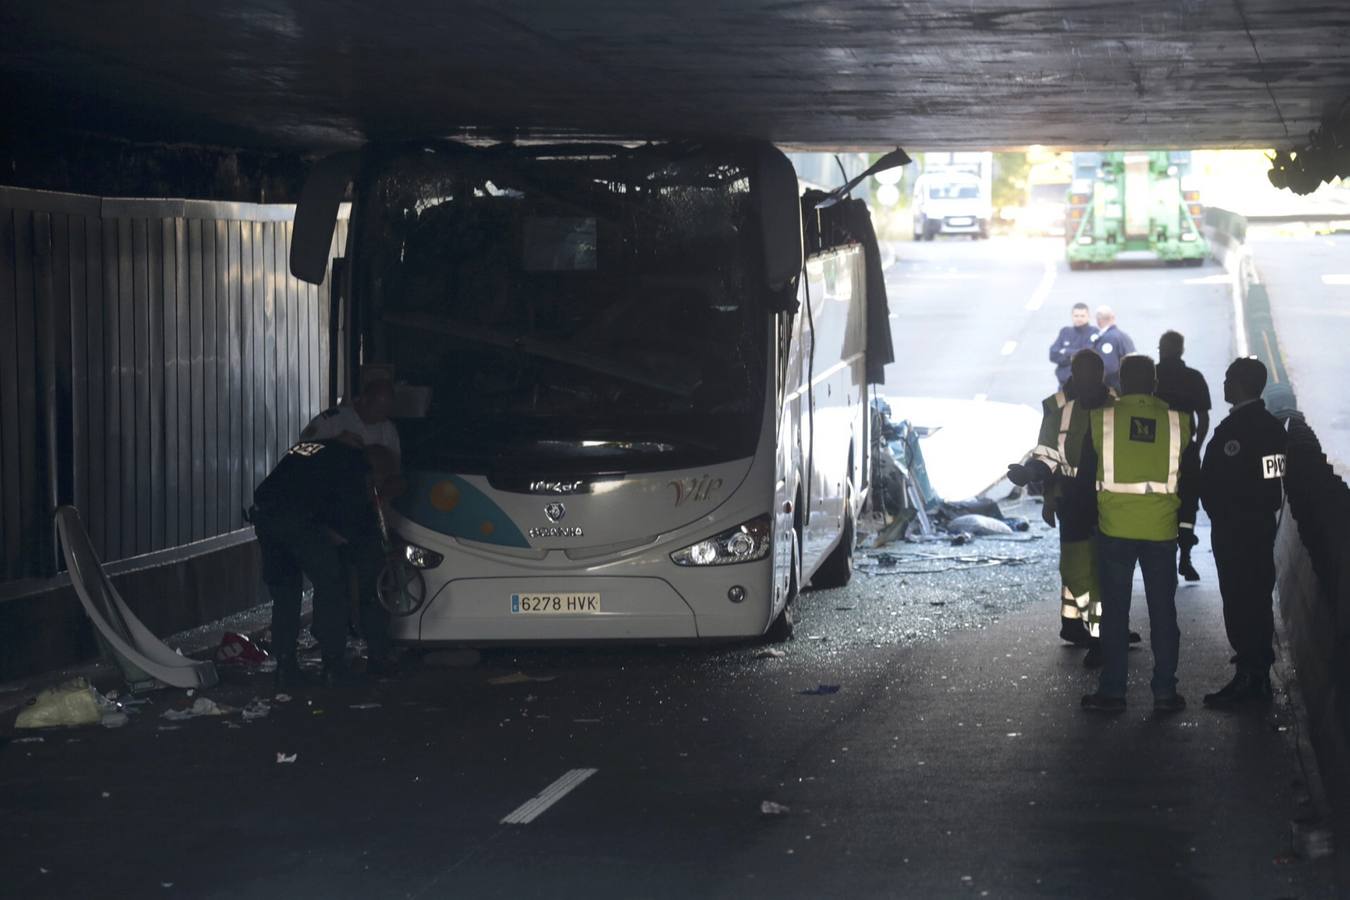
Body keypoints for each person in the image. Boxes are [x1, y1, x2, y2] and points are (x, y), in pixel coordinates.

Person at [1080, 354, 1198, 713]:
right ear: (1155, 382)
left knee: (1115, 613)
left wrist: (1090, 522)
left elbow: (1088, 477)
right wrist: (1185, 527)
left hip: (1114, 528)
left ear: (1121, 380)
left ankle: (1113, 692)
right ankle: (1165, 691)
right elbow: (1190, 479)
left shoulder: (1102, 419)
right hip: (1161, 530)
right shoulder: (1179, 422)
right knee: (1163, 612)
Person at [1011, 350, 1138, 666]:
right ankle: (1098, 630)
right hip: (1075, 506)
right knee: (1077, 573)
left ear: (1100, 375)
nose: (1080, 382)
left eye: (1087, 375)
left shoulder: (1119, 408)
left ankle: (1102, 637)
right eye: (1076, 376)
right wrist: (1032, 476)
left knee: (1107, 576)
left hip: (1112, 504)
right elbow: (1047, 456)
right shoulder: (1060, 414)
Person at [252, 440, 399, 688]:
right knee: (332, 586)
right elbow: (351, 531)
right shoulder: (354, 468)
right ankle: (333, 666)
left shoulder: (323, 448)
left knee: (285, 592)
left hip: (266, 516)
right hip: (298, 521)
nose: (374, 487)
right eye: (377, 481)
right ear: (374, 470)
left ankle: (285, 668)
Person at [1200, 358, 1288, 707]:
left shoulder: (1249, 428)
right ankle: (1254, 675)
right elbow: (1272, 485)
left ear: (1239, 384)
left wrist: (1229, 511)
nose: (1223, 384)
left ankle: (1250, 678)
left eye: (1227, 379)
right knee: (1253, 600)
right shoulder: (1266, 427)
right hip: (1253, 526)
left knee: (1242, 600)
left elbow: (1268, 484)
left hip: (1241, 529)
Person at [1154, 331, 1212, 581]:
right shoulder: (1193, 378)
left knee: (1160, 505)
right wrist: (1196, 446)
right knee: (1187, 506)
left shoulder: (1152, 377)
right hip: (1186, 454)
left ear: (1161, 349)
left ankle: (1164, 559)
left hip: (1154, 454)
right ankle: (1185, 559)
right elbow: (1203, 417)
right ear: (1182, 350)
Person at [300, 378, 401, 456]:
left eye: (386, 412)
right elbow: (301, 450)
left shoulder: (388, 429)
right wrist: (334, 443)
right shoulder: (332, 421)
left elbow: (394, 466)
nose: (382, 418)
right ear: (364, 400)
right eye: (378, 411)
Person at [1048, 303, 1099, 388]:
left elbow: (1088, 355)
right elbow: (1053, 354)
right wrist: (1076, 355)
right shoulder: (1065, 331)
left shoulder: (1094, 333)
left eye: (1082, 316)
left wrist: (1065, 351)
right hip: (1064, 385)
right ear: (1072, 316)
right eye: (1076, 316)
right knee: (1051, 402)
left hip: (1086, 386)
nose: (1079, 318)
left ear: (1088, 316)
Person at [1092, 306, 1136, 393]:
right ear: (1113, 318)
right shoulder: (1124, 336)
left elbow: (1109, 367)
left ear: (1098, 320)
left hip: (1114, 388)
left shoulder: (1108, 338)